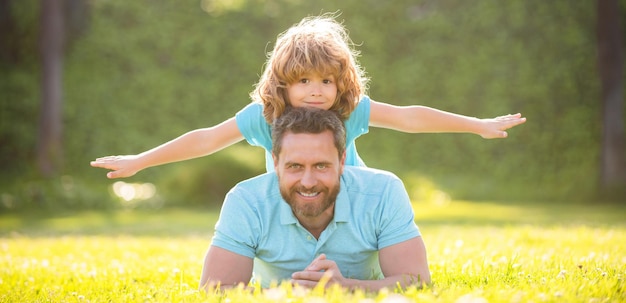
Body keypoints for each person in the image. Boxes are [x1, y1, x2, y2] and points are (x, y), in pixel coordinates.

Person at [90, 13, 526, 176]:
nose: (316, 92)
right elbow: (205, 139)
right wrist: (140, 161)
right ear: (283, 85)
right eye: (303, 82)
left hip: (346, 200)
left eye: (326, 81)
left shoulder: (350, 111)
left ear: (340, 85)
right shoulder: (263, 116)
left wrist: (477, 125)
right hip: (290, 203)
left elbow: (410, 117)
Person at [199, 107, 430, 290]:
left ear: (342, 161)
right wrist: (287, 292)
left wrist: (347, 288)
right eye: (295, 166)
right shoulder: (246, 201)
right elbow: (215, 289)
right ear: (276, 163)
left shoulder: (383, 192)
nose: (308, 182)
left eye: (321, 165)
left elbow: (416, 280)